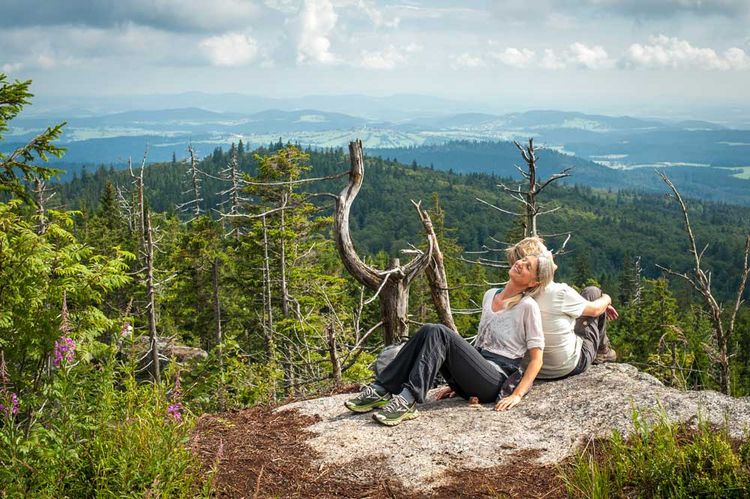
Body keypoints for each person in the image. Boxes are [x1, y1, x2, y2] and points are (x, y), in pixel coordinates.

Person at [345, 254, 555, 426]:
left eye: (528, 266)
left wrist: (516, 395)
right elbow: (481, 343)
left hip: (495, 379)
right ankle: (383, 388)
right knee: (429, 330)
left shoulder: (528, 307)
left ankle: (407, 399)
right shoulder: (490, 295)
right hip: (478, 371)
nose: (520, 263)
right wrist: (460, 378)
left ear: (533, 282)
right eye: (523, 260)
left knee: (439, 331)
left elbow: (537, 359)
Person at [507, 237, 618, 380]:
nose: (551, 253)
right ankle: (603, 352)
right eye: (547, 251)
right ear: (541, 262)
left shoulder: (513, 295)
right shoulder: (558, 293)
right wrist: (607, 298)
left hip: (532, 369)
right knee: (592, 292)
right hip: (564, 367)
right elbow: (596, 310)